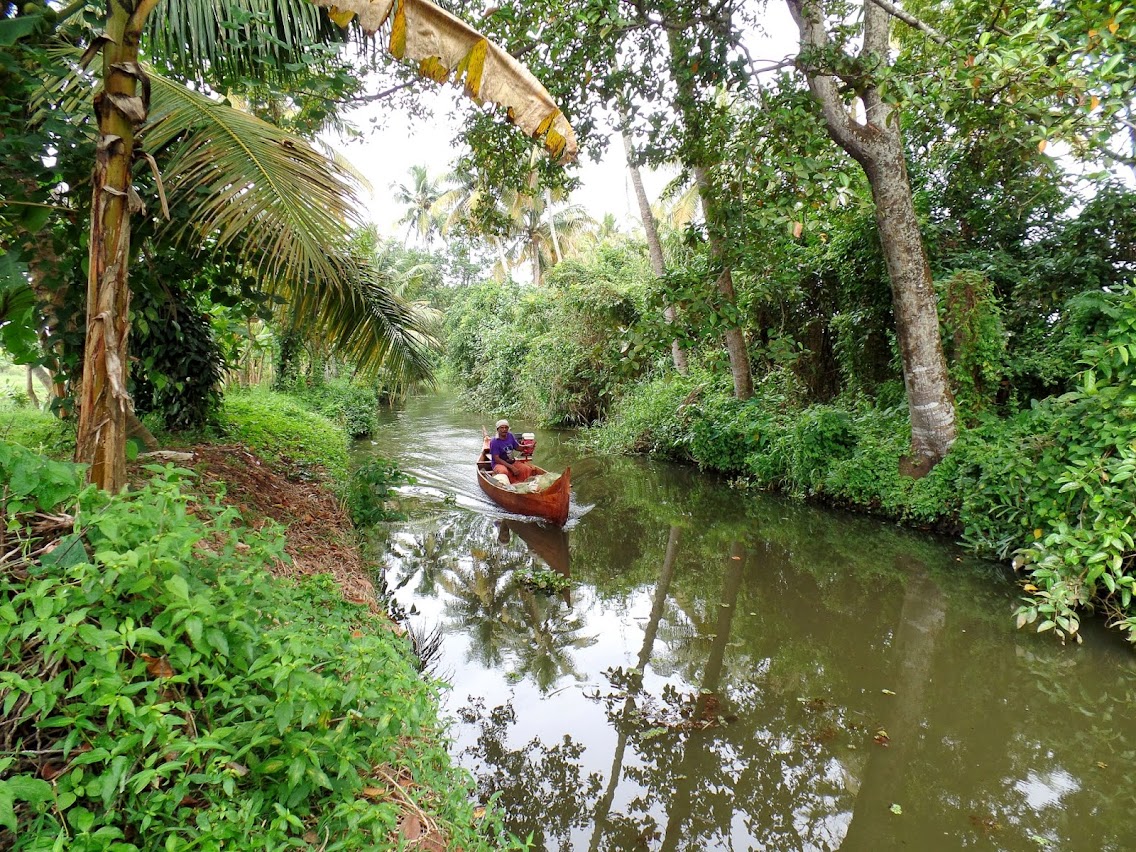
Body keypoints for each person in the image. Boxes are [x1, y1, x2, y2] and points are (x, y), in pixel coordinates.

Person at [490, 419, 533, 484]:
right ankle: (506, 486)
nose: (504, 429)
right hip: (499, 464)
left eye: (506, 427)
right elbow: (497, 459)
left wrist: (526, 447)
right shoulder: (494, 441)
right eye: (502, 427)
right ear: (497, 429)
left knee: (527, 469)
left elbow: (517, 447)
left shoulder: (510, 435)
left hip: (511, 461)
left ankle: (522, 484)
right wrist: (511, 467)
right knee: (504, 472)